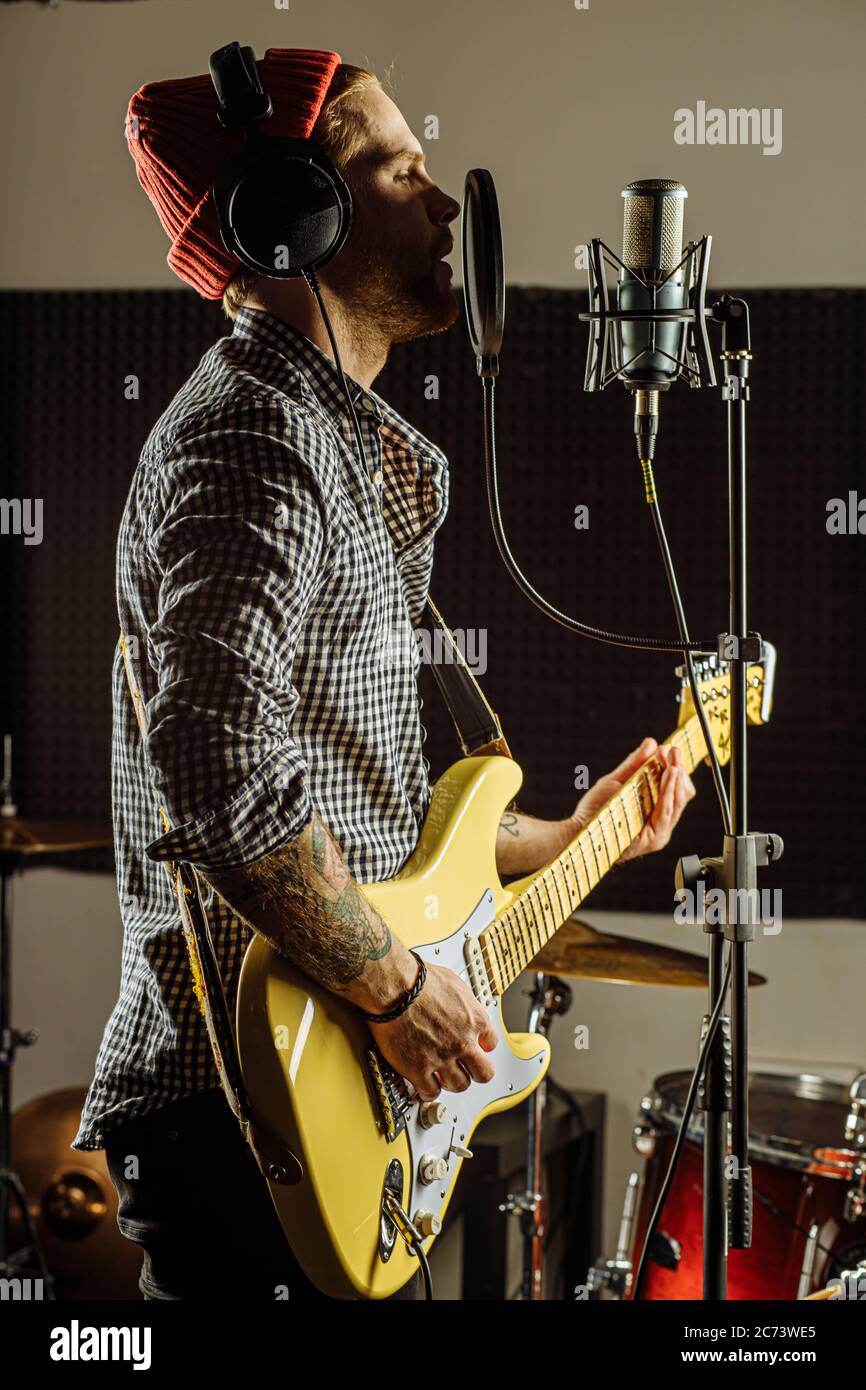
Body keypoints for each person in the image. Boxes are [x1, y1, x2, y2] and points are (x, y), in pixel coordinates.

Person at [73, 46, 696, 1301]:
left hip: (320, 1101)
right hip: (248, 1113)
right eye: (399, 168)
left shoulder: (327, 443)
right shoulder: (256, 439)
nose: (446, 202)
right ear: (295, 220)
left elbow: (357, 816)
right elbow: (221, 770)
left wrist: (560, 838)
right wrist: (399, 986)